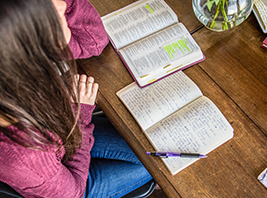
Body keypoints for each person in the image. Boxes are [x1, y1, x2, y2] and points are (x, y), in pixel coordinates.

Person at [0, 0, 153, 197]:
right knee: (155, 164)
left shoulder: (14, 62)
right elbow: (74, 192)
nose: (63, 6)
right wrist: (80, 112)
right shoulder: (22, 156)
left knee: (148, 149)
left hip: (61, 134)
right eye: (54, 12)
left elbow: (93, 42)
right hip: (70, 182)